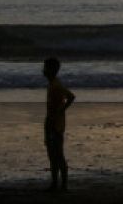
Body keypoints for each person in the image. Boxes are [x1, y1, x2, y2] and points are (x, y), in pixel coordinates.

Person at [42, 57, 76, 192]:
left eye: (45, 68)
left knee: (58, 155)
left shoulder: (56, 85)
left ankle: (63, 185)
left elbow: (71, 97)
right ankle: (55, 183)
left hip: (55, 125)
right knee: (52, 155)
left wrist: (61, 111)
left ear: (52, 70)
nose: (43, 71)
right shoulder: (52, 84)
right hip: (52, 123)